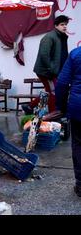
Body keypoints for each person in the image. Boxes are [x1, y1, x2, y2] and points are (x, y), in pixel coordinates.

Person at [23, 15, 70, 115]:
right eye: (62, 24)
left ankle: (30, 107)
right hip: (46, 71)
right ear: (56, 25)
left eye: (66, 24)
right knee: (53, 92)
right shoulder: (49, 37)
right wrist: (52, 70)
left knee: (49, 91)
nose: (65, 27)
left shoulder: (61, 37)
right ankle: (53, 115)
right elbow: (44, 55)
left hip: (53, 70)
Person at [55, 45, 81, 197]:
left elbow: (62, 83)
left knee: (78, 143)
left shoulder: (76, 54)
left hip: (78, 107)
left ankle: (80, 185)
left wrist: (61, 107)